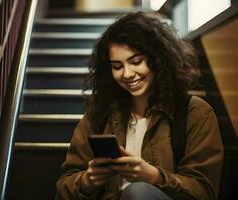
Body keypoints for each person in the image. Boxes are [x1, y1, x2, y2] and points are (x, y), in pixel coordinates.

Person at [56, 11, 223, 200]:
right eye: (117, 66)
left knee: (138, 192)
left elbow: (204, 190)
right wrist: (87, 181)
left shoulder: (195, 112)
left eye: (136, 61)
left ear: (157, 59)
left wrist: (155, 176)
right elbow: (64, 187)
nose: (127, 74)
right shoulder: (99, 115)